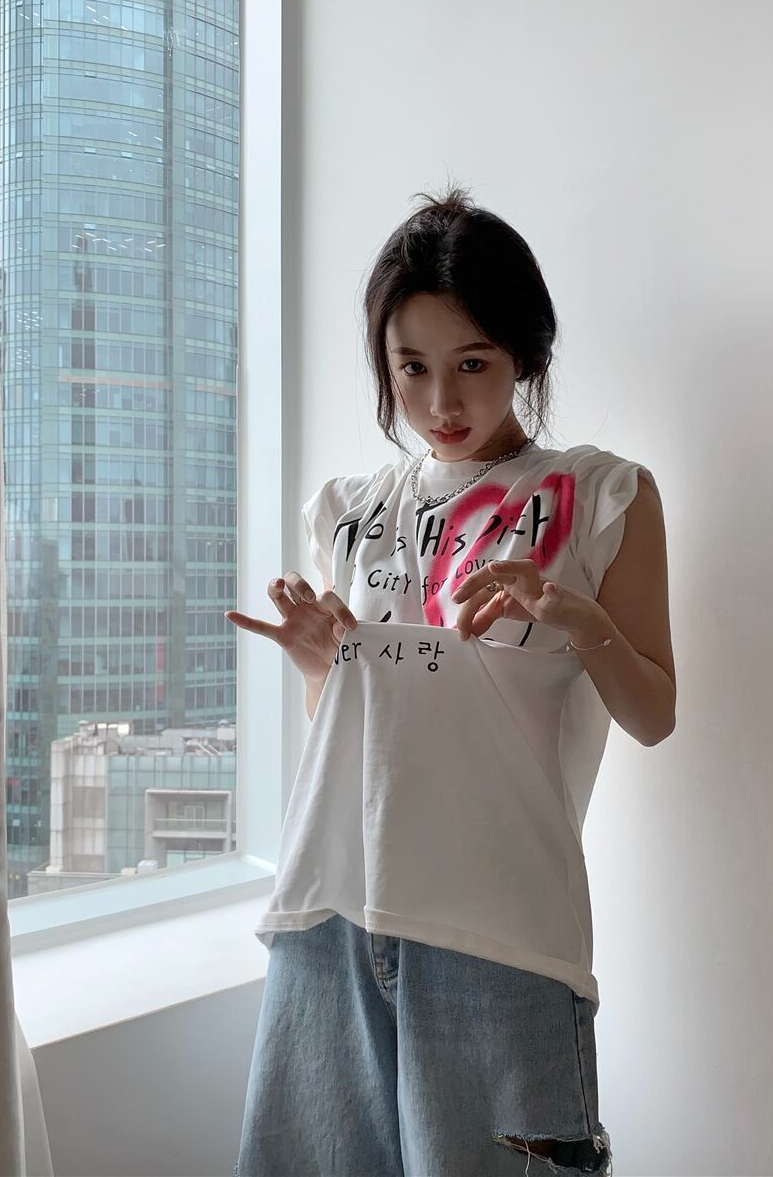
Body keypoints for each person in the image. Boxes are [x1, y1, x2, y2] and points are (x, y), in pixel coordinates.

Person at [226, 182, 676, 1176]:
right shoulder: (347, 510)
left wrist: (577, 616)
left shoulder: (601, 493)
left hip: (501, 929)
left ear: (526, 354)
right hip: (334, 915)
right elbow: (358, 737)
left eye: (472, 363)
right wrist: (317, 665)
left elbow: (653, 716)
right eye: (412, 368)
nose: (441, 404)